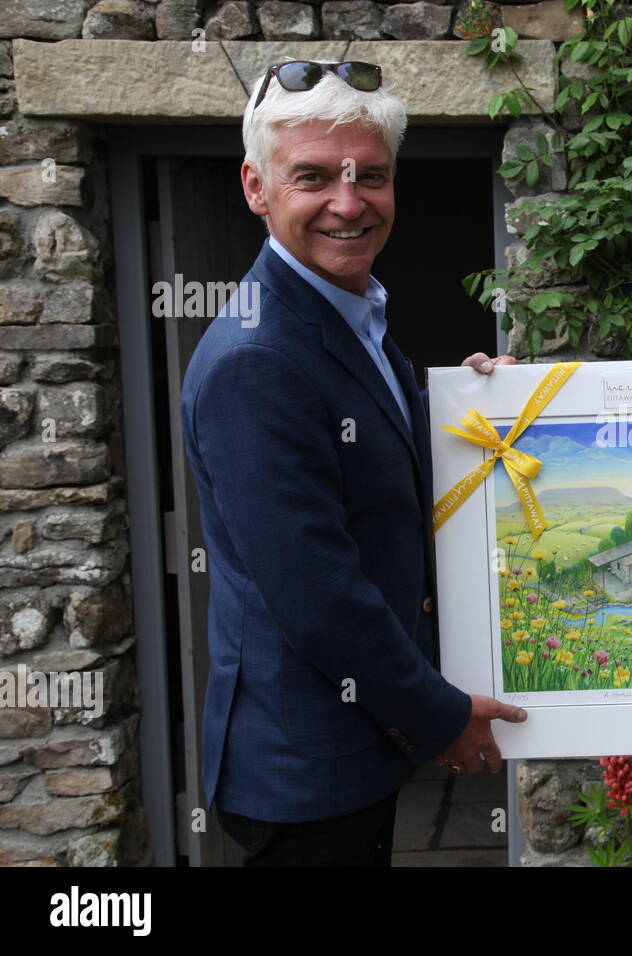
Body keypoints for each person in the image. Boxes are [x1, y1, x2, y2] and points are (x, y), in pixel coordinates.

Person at [181, 59, 524, 866]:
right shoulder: (257, 358)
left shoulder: (349, 313)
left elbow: (376, 474)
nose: (348, 201)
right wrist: (440, 712)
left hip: (345, 749)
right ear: (255, 187)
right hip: (302, 768)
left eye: (371, 176)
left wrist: (498, 421)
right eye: (313, 177)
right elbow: (317, 593)